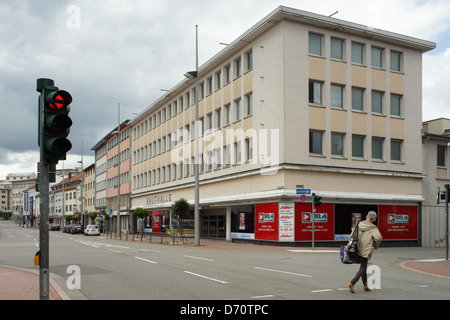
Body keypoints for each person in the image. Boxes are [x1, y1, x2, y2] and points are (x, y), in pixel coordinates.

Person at [348, 211, 383, 293]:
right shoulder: (373, 228)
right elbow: (378, 238)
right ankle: (352, 282)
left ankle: (365, 285)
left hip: (357, 248)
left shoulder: (359, 224)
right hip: (366, 249)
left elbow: (351, 235)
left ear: (367, 216)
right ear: (373, 219)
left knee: (363, 267)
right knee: (363, 268)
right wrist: (375, 245)